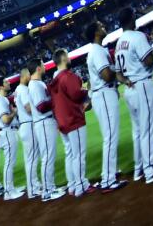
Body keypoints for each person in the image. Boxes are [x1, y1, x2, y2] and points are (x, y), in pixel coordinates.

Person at [115, 6, 153, 184]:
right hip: (142, 86)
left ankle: (140, 169)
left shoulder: (118, 43)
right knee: (148, 128)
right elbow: (148, 60)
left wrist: (125, 81)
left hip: (130, 89)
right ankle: (151, 169)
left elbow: (118, 73)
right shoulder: (137, 37)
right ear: (131, 19)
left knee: (138, 130)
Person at [85, 19, 125, 192]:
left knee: (109, 136)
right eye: (100, 26)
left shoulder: (97, 50)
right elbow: (107, 75)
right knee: (110, 137)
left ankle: (109, 173)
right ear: (95, 33)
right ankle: (108, 180)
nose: (104, 27)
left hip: (103, 94)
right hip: (103, 93)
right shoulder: (96, 51)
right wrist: (120, 68)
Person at [49, 49, 91, 198]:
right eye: (67, 55)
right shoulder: (67, 76)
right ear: (63, 58)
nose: (69, 57)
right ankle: (80, 186)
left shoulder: (54, 80)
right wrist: (86, 89)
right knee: (79, 154)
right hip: (73, 119)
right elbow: (77, 94)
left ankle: (73, 184)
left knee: (71, 154)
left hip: (62, 121)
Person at [27, 58, 65, 202]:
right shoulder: (34, 85)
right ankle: (48, 191)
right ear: (37, 68)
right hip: (43, 122)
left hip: (45, 122)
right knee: (48, 157)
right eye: (42, 64)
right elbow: (41, 107)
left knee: (49, 156)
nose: (44, 66)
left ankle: (50, 187)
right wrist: (56, 99)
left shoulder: (38, 83)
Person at [0, 76, 23, 199]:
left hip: (8, 132)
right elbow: (5, 120)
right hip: (7, 131)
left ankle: (10, 188)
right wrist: (14, 112)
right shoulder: (0, 100)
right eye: (6, 82)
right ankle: (8, 192)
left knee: (10, 162)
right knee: (9, 163)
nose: (8, 82)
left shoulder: (3, 99)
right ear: (1, 86)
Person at [14, 66, 39, 199]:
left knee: (31, 158)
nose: (31, 76)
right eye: (29, 74)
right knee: (32, 158)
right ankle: (33, 188)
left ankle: (34, 186)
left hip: (25, 125)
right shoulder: (23, 89)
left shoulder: (19, 89)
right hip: (28, 125)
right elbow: (28, 108)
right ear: (24, 75)